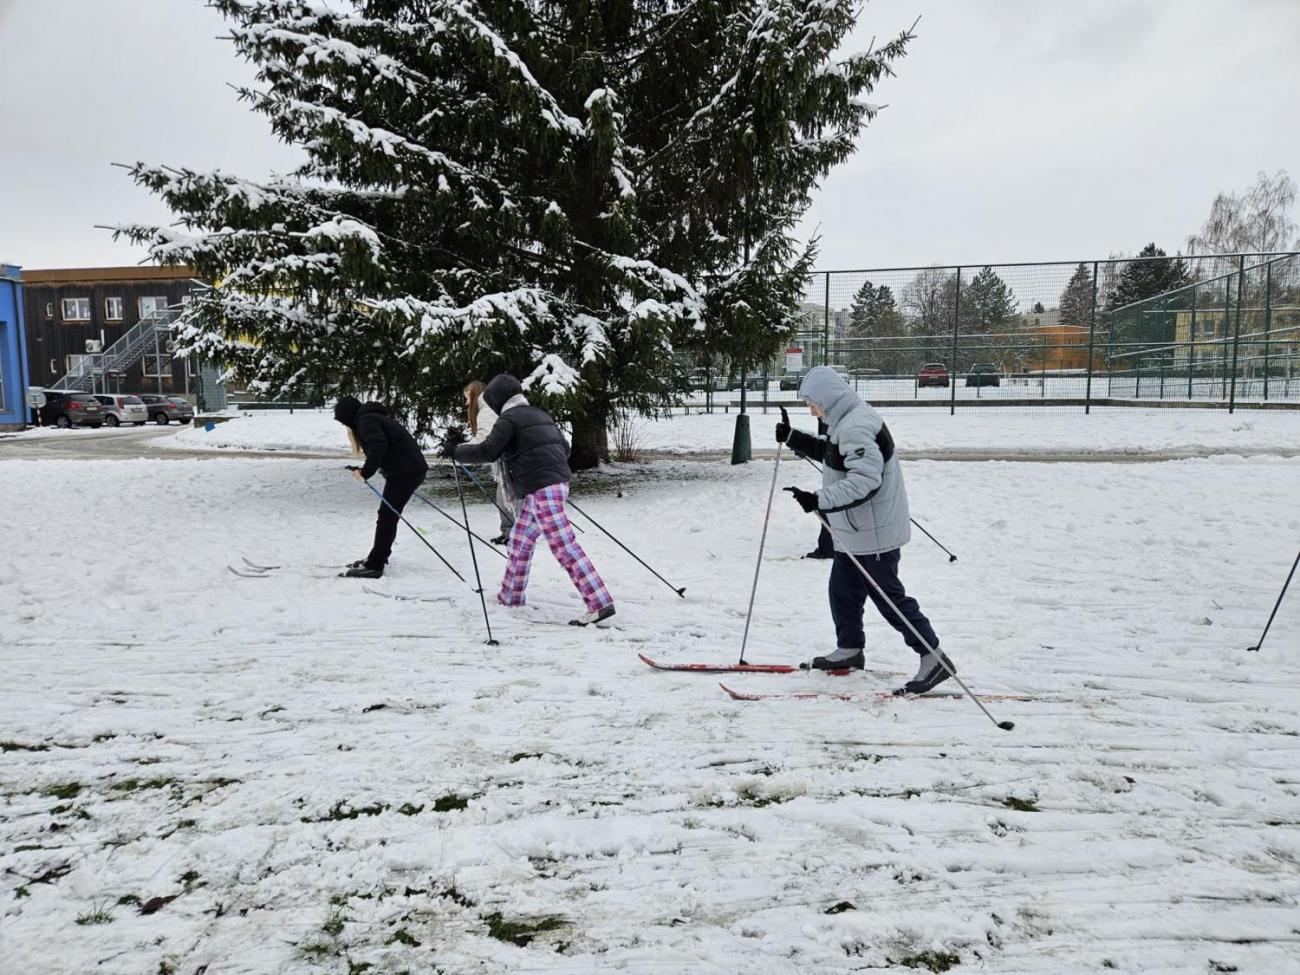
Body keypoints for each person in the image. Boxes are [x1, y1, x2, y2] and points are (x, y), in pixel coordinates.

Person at [775, 366, 953, 693]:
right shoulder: (847, 420)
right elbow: (834, 455)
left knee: (889, 598)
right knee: (842, 590)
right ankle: (849, 650)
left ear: (828, 399)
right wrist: (793, 438)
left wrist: (819, 499)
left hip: (873, 534)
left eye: (812, 403)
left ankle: (933, 657)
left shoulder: (855, 425)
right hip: (856, 532)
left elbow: (866, 480)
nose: (811, 410)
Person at [446, 374, 615, 626]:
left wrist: (455, 451)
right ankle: (510, 595)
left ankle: (598, 602)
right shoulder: (539, 414)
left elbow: (488, 451)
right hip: (556, 483)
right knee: (519, 541)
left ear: (499, 400)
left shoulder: (508, 419)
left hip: (541, 488)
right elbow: (565, 448)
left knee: (563, 545)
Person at [334, 395, 430, 579]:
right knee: (387, 516)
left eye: (343, 422)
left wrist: (365, 473)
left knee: (387, 517)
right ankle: (377, 557)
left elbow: (379, 445)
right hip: (407, 470)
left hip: (405, 472)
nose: (345, 427)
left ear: (348, 416)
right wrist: (364, 470)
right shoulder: (370, 417)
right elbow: (385, 447)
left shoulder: (365, 420)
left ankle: (375, 565)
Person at [463, 380, 516, 545]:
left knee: (506, 497)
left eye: (467, 398)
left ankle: (514, 534)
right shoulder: (491, 409)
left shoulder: (485, 411)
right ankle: (510, 532)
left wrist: (459, 451)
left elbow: (483, 440)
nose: (466, 403)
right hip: (508, 460)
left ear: (474, 395)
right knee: (503, 497)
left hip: (510, 461)